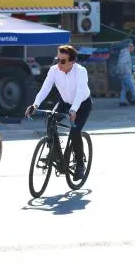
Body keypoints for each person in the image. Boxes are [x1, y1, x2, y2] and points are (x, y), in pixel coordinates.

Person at [25, 45, 92, 179]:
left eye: (62, 61)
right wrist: (35, 104)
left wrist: (74, 110)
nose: (59, 64)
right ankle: (54, 152)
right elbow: (45, 88)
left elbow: (79, 92)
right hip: (65, 102)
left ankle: (80, 165)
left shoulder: (81, 71)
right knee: (50, 121)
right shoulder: (54, 70)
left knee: (74, 132)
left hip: (82, 104)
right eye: (57, 60)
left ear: (72, 62)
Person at [117, 41, 135, 106]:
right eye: (133, 49)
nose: (133, 50)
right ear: (130, 47)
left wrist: (120, 73)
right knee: (132, 87)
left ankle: (122, 102)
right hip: (125, 73)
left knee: (124, 88)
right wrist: (122, 72)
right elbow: (122, 63)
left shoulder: (123, 52)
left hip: (122, 73)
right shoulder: (126, 53)